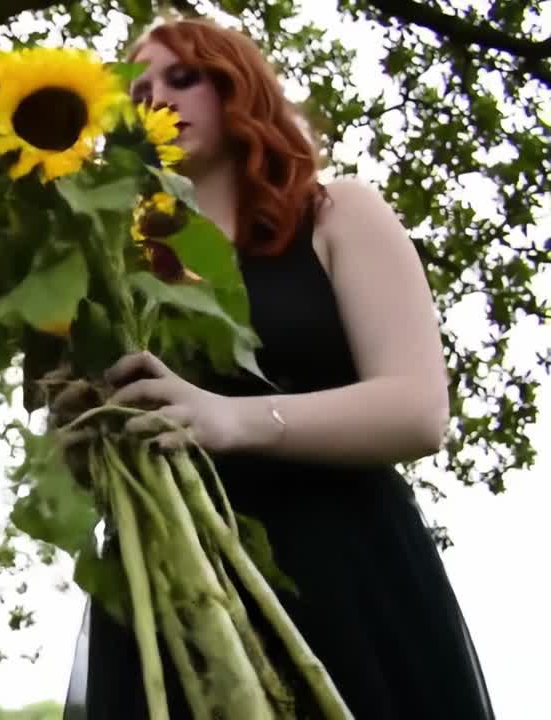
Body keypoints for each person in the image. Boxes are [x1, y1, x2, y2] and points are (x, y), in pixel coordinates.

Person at [53, 16, 496, 720]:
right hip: (171, 590)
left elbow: (418, 410)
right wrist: (85, 444)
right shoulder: (119, 270)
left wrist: (233, 418)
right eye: (136, 91)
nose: (156, 98)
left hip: (339, 573)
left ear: (237, 85)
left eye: (182, 76)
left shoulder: (337, 215)